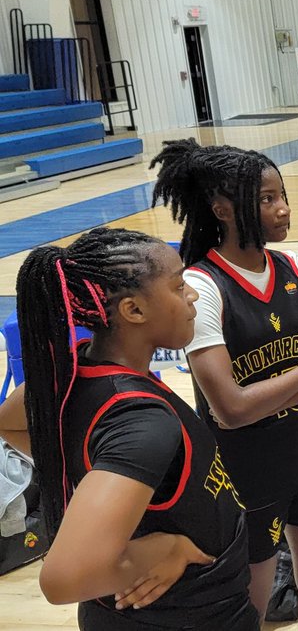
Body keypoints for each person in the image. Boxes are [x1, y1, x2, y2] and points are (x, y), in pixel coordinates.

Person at [0, 228, 257, 628]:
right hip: (182, 617)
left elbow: (12, 425)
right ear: (133, 311)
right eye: (178, 286)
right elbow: (64, 578)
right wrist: (164, 551)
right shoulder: (142, 424)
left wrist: (95, 488)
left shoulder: (74, 371)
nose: (192, 295)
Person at [151, 139, 298, 629]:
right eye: (266, 199)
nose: (282, 209)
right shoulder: (200, 288)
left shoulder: (297, 270)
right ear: (222, 209)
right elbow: (231, 411)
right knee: (249, 609)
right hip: (242, 476)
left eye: (282, 195)